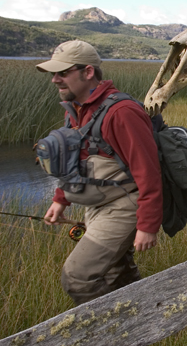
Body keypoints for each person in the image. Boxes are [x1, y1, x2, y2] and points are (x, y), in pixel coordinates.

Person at [36, 40, 163, 305]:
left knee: (77, 277)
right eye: (53, 74)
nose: (55, 80)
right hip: (97, 205)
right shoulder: (76, 109)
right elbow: (75, 160)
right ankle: (143, 323)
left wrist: (147, 225)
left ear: (88, 72)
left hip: (124, 206)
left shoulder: (122, 112)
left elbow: (148, 172)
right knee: (117, 274)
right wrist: (61, 199)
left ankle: (113, 333)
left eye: (63, 73)